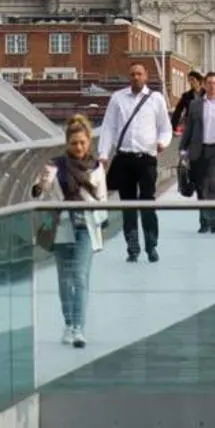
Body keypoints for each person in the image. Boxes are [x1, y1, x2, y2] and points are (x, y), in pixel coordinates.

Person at [34, 116, 106, 346]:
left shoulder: (96, 168)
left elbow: (103, 201)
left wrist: (93, 213)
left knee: (80, 276)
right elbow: (37, 194)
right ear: (67, 143)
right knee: (65, 278)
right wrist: (40, 186)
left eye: (83, 142)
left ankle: (78, 327)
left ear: (89, 143)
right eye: (74, 143)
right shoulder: (54, 166)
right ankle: (68, 324)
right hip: (61, 226)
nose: (79, 147)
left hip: (85, 225)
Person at [98, 61, 172, 263]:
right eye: (132, 74)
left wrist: (162, 143)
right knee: (128, 205)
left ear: (146, 76)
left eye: (139, 74)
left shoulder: (155, 99)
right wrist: (103, 154)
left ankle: (151, 245)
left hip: (147, 158)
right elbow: (108, 128)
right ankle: (132, 247)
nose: (136, 77)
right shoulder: (117, 98)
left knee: (148, 202)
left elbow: (166, 128)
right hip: (124, 158)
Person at [179, 73, 215, 233]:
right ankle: (204, 221)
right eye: (209, 83)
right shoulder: (195, 105)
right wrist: (183, 149)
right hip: (199, 149)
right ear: (204, 85)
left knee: (213, 183)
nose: (212, 86)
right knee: (200, 186)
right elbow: (189, 129)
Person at [171, 71, 206, 135]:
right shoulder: (186, 95)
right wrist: (173, 126)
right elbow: (178, 111)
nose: (190, 82)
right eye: (189, 80)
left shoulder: (207, 94)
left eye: (192, 79)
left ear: (199, 80)